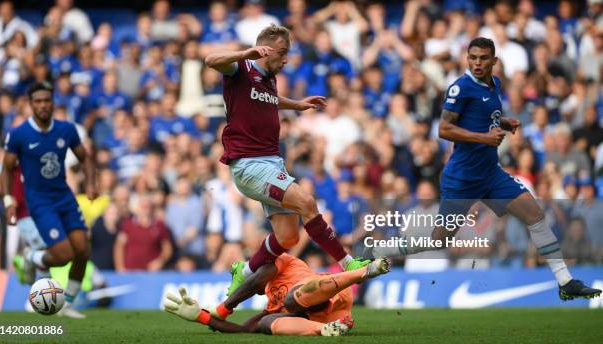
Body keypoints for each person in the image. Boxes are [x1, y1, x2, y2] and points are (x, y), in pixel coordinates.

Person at [368, 37, 601, 301]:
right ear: (468, 59)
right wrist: (484, 138)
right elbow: (444, 129)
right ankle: (380, 250)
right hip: (462, 179)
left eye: (483, 58)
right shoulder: (460, 88)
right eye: (473, 57)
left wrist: (503, 122)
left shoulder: (495, 85)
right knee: (439, 240)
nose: (478, 63)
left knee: (535, 214)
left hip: (490, 174)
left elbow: (482, 114)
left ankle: (565, 281)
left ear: (494, 61)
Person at [204, 24, 369, 296]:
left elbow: (269, 99)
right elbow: (210, 60)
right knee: (306, 202)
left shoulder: (269, 78)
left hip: (271, 163)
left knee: (288, 236)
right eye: (281, 53)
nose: (285, 60)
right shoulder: (240, 70)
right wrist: (246, 53)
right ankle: (348, 262)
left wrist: (297, 104)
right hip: (250, 164)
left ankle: (243, 271)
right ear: (264, 50)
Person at [1, 81, 96, 318]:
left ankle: (68, 304)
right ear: (31, 104)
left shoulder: (67, 130)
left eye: (47, 101)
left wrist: (92, 184)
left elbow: (86, 158)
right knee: (64, 256)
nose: (43, 105)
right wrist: (8, 201)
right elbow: (5, 169)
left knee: (83, 251)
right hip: (40, 203)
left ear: (53, 103)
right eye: (38, 101)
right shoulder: (19, 134)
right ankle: (32, 257)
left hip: (64, 198)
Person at [163, 254, 390, 336]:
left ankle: (363, 272)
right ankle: (326, 331)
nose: (250, 277)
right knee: (265, 322)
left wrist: (225, 307)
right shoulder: (271, 303)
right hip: (331, 317)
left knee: (291, 299)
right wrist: (201, 317)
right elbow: (242, 330)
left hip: (332, 291)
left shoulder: (279, 263)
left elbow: (257, 280)